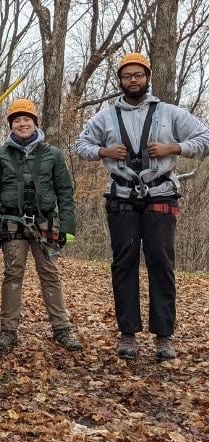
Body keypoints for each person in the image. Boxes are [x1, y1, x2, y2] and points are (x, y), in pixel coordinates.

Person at [75, 52, 209, 360]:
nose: (133, 80)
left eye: (138, 75)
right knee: (124, 263)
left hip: (161, 192)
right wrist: (103, 151)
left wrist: (174, 147)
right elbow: (80, 145)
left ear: (147, 77)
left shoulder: (170, 113)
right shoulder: (105, 117)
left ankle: (163, 335)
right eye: (127, 76)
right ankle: (128, 334)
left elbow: (204, 137)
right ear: (120, 81)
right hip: (121, 196)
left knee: (161, 262)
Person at [0, 99, 82, 353]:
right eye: (17, 120)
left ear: (35, 123)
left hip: (45, 222)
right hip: (12, 222)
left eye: (27, 119)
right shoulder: (0, 155)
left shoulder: (54, 154)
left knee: (49, 274)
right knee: (12, 275)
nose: (22, 124)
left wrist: (68, 226)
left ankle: (61, 329)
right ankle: (8, 331)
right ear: (11, 125)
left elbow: (65, 192)